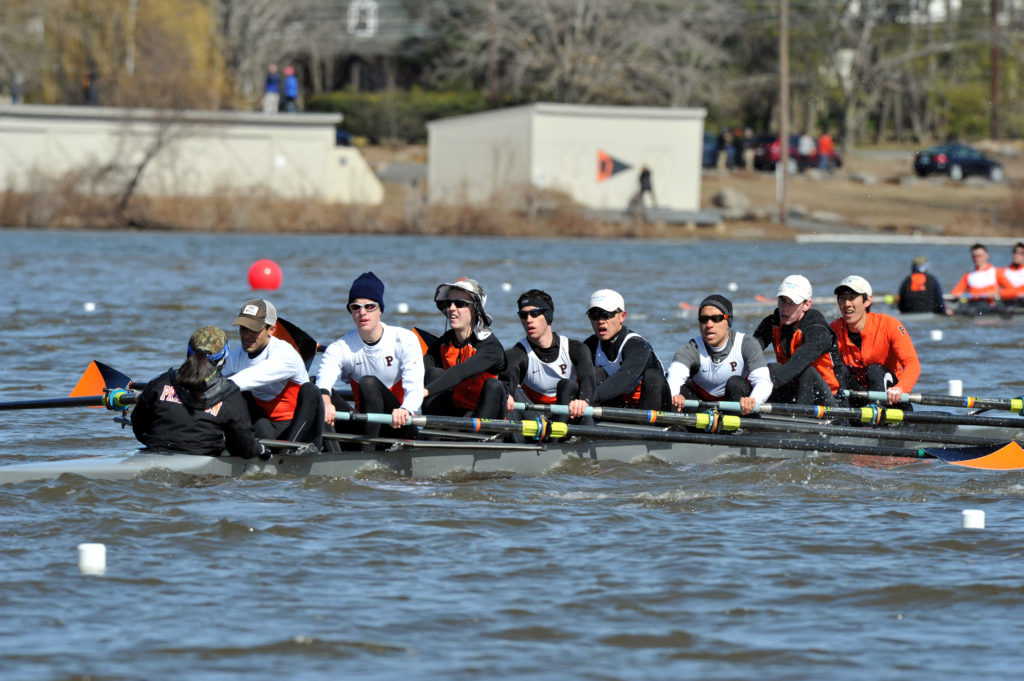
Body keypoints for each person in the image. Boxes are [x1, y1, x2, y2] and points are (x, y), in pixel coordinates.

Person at [317, 272, 425, 443]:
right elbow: (325, 375)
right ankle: (334, 451)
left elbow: (415, 386)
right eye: (356, 307)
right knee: (313, 387)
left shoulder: (404, 339)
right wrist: (324, 399)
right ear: (351, 312)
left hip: (399, 424)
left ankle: (365, 453)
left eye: (369, 306)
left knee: (368, 382)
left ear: (380, 310)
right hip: (365, 425)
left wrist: (406, 409)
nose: (362, 312)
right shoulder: (341, 346)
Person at [131, 326, 264, 459]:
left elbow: (138, 425)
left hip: (154, 455)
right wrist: (260, 450)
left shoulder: (160, 383)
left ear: (188, 354)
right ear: (223, 360)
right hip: (204, 469)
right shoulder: (231, 396)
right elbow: (243, 448)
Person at [221, 299, 323, 447]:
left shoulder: (285, 353)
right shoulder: (237, 356)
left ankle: (291, 452)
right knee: (232, 392)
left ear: (271, 330)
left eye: (254, 329)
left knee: (310, 390)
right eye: (243, 328)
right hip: (266, 428)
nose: (246, 335)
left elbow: (254, 375)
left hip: (296, 428)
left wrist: (215, 388)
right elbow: (216, 380)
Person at [667, 294, 772, 415]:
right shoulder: (691, 349)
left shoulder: (747, 344)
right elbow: (674, 376)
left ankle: (739, 428)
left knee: (736, 383)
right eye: (704, 319)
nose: (709, 324)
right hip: (701, 406)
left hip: (738, 405)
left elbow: (763, 382)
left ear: (729, 321)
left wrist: (753, 400)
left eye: (716, 318)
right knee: (676, 388)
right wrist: (675, 395)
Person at [504, 289, 597, 422]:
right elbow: (508, 383)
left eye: (534, 314)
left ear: (548, 316)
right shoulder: (517, 354)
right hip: (537, 418)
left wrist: (583, 400)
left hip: (572, 416)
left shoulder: (576, 349)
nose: (529, 320)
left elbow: (589, 382)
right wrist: (508, 395)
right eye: (523, 315)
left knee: (566, 385)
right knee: (511, 394)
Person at [423, 277, 508, 419]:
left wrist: (424, 392)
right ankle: (434, 436)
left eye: (459, 303)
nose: (451, 308)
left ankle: (482, 439)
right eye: (449, 303)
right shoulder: (444, 343)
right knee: (433, 373)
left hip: (484, 415)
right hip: (456, 413)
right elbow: (420, 369)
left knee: (493, 385)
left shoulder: (491, 347)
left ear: (475, 309)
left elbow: (461, 372)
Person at [830, 276, 920, 406]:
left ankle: (877, 418)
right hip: (858, 396)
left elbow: (913, 364)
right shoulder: (834, 330)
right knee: (838, 369)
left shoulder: (889, 325)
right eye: (842, 298)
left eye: (852, 297)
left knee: (874, 369)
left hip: (891, 399)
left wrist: (901, 388)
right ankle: (842, 417)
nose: (846, 304)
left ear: (867, 301)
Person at [753, 275, 841, 406]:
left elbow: (801, 358)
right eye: (782, 300)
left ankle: (799, 422)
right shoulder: (772, 322)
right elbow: (750, 350)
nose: (785, 308)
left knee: (807, 372)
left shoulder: (818, 329)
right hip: (795, 391)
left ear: (807, 304)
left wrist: (771, 384)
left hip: (829, 399)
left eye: (792, 303)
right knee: (771, 368)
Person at [582, 289, 669, 410]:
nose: (600, 321)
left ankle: (647, 428)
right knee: (594, 374)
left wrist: (586, 399)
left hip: (655, 406)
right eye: (594, 315)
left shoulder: (637, 346)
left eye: (607, 314)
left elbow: (622, 379)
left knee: (653, 376)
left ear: (622, 316)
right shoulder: (590, 345)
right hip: (621, 404)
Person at [949, 243, 1011, 315]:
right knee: (962, 306)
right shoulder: (968, 274)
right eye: (974, 256)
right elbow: (956, 291)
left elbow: (1011, 290)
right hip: (971, 303)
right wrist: (957, 294)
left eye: (979, 256)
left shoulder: (996, 272)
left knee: (974, 309)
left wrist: (998, 293)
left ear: (987, 256)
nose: (976, 258)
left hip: (988, 303)